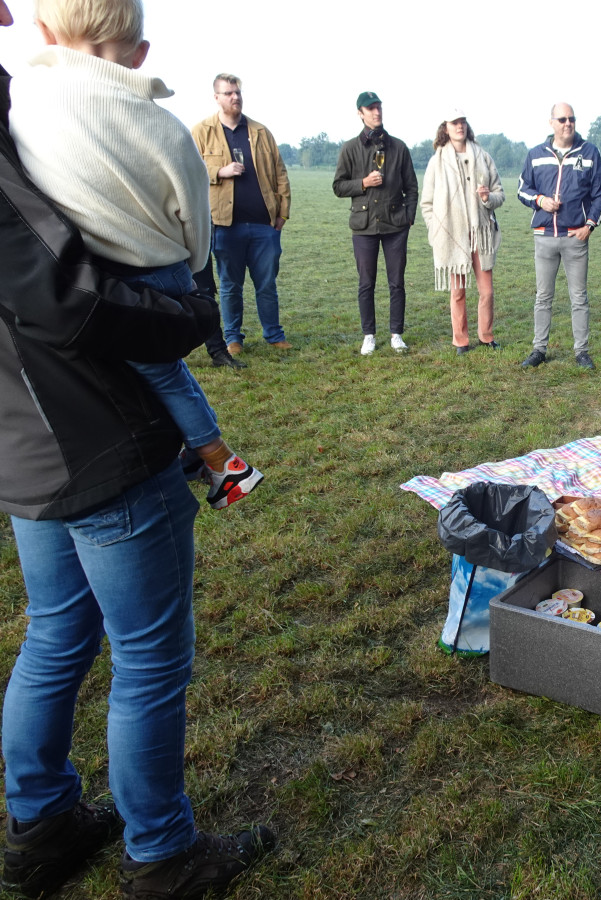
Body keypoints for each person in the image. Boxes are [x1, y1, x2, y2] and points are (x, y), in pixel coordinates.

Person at [0, 0, 275, 896]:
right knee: (150, 659)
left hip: (24, 439)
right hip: (96, 433)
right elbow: (65, 300)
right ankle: (162, 855)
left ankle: (42, 824)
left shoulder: (22, 112)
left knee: (54, 635)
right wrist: (190, 313)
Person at [9, 0, 263, 511]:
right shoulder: (165, 125)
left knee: (156, 373)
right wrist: (191, 266)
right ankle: (207, 455)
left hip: (115, 276)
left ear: (42, 31)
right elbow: (194, 209)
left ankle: (222, 460)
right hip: (167, 267)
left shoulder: (26, 98)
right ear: (141, 53)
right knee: (163, 370)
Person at [191, 73, 292, 355]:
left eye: (237, 92)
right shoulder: (201, 131)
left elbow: (280, 174)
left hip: (264, 225)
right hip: (225, 225)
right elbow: (190, 169)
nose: (235, 97)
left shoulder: (260, 132)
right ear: (216, 98)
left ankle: (274, 334)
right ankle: (233, 338)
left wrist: (282, 214)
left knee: (267, 285)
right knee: (229, 286)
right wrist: (219, 171)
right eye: (229, 93)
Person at [516, 102, 601, 370]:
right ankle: (539, 349)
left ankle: (582, 352)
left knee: (579, 297)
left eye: (572, 119)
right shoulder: (536, 154)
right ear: (551, 123)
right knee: (543, 297)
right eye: (562, 119)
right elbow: (522, 189)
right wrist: (540, 200)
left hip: (575, 238)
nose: (568, 123)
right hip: (544, 236)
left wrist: (589, 225)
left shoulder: (590, 152)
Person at [333, 91, 418, 355]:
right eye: (370, 108)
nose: (376, 112)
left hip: (396, 226)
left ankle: (396, 334)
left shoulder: (399, 147)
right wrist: (363, 183)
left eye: (378, 107)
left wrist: (408, 217)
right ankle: (368, 335)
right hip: (364, 226)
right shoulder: (349, 148)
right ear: (360, 113)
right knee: (366, 283)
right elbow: (338, 186)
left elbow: (412, 188)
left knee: (397, 282)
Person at [420, 110, 504, 355]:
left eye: (463, 122)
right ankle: (461, 341)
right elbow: (427, 203)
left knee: (487, 291)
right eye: (454, 122)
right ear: (445, 127)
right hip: (453, 236)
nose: (460, 126)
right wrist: (436, 230)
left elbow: (499, 194)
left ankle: (486, 336)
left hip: (481, 235)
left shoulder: (483, 156)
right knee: (457, 292)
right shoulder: (437, 162)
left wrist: (487, 198)